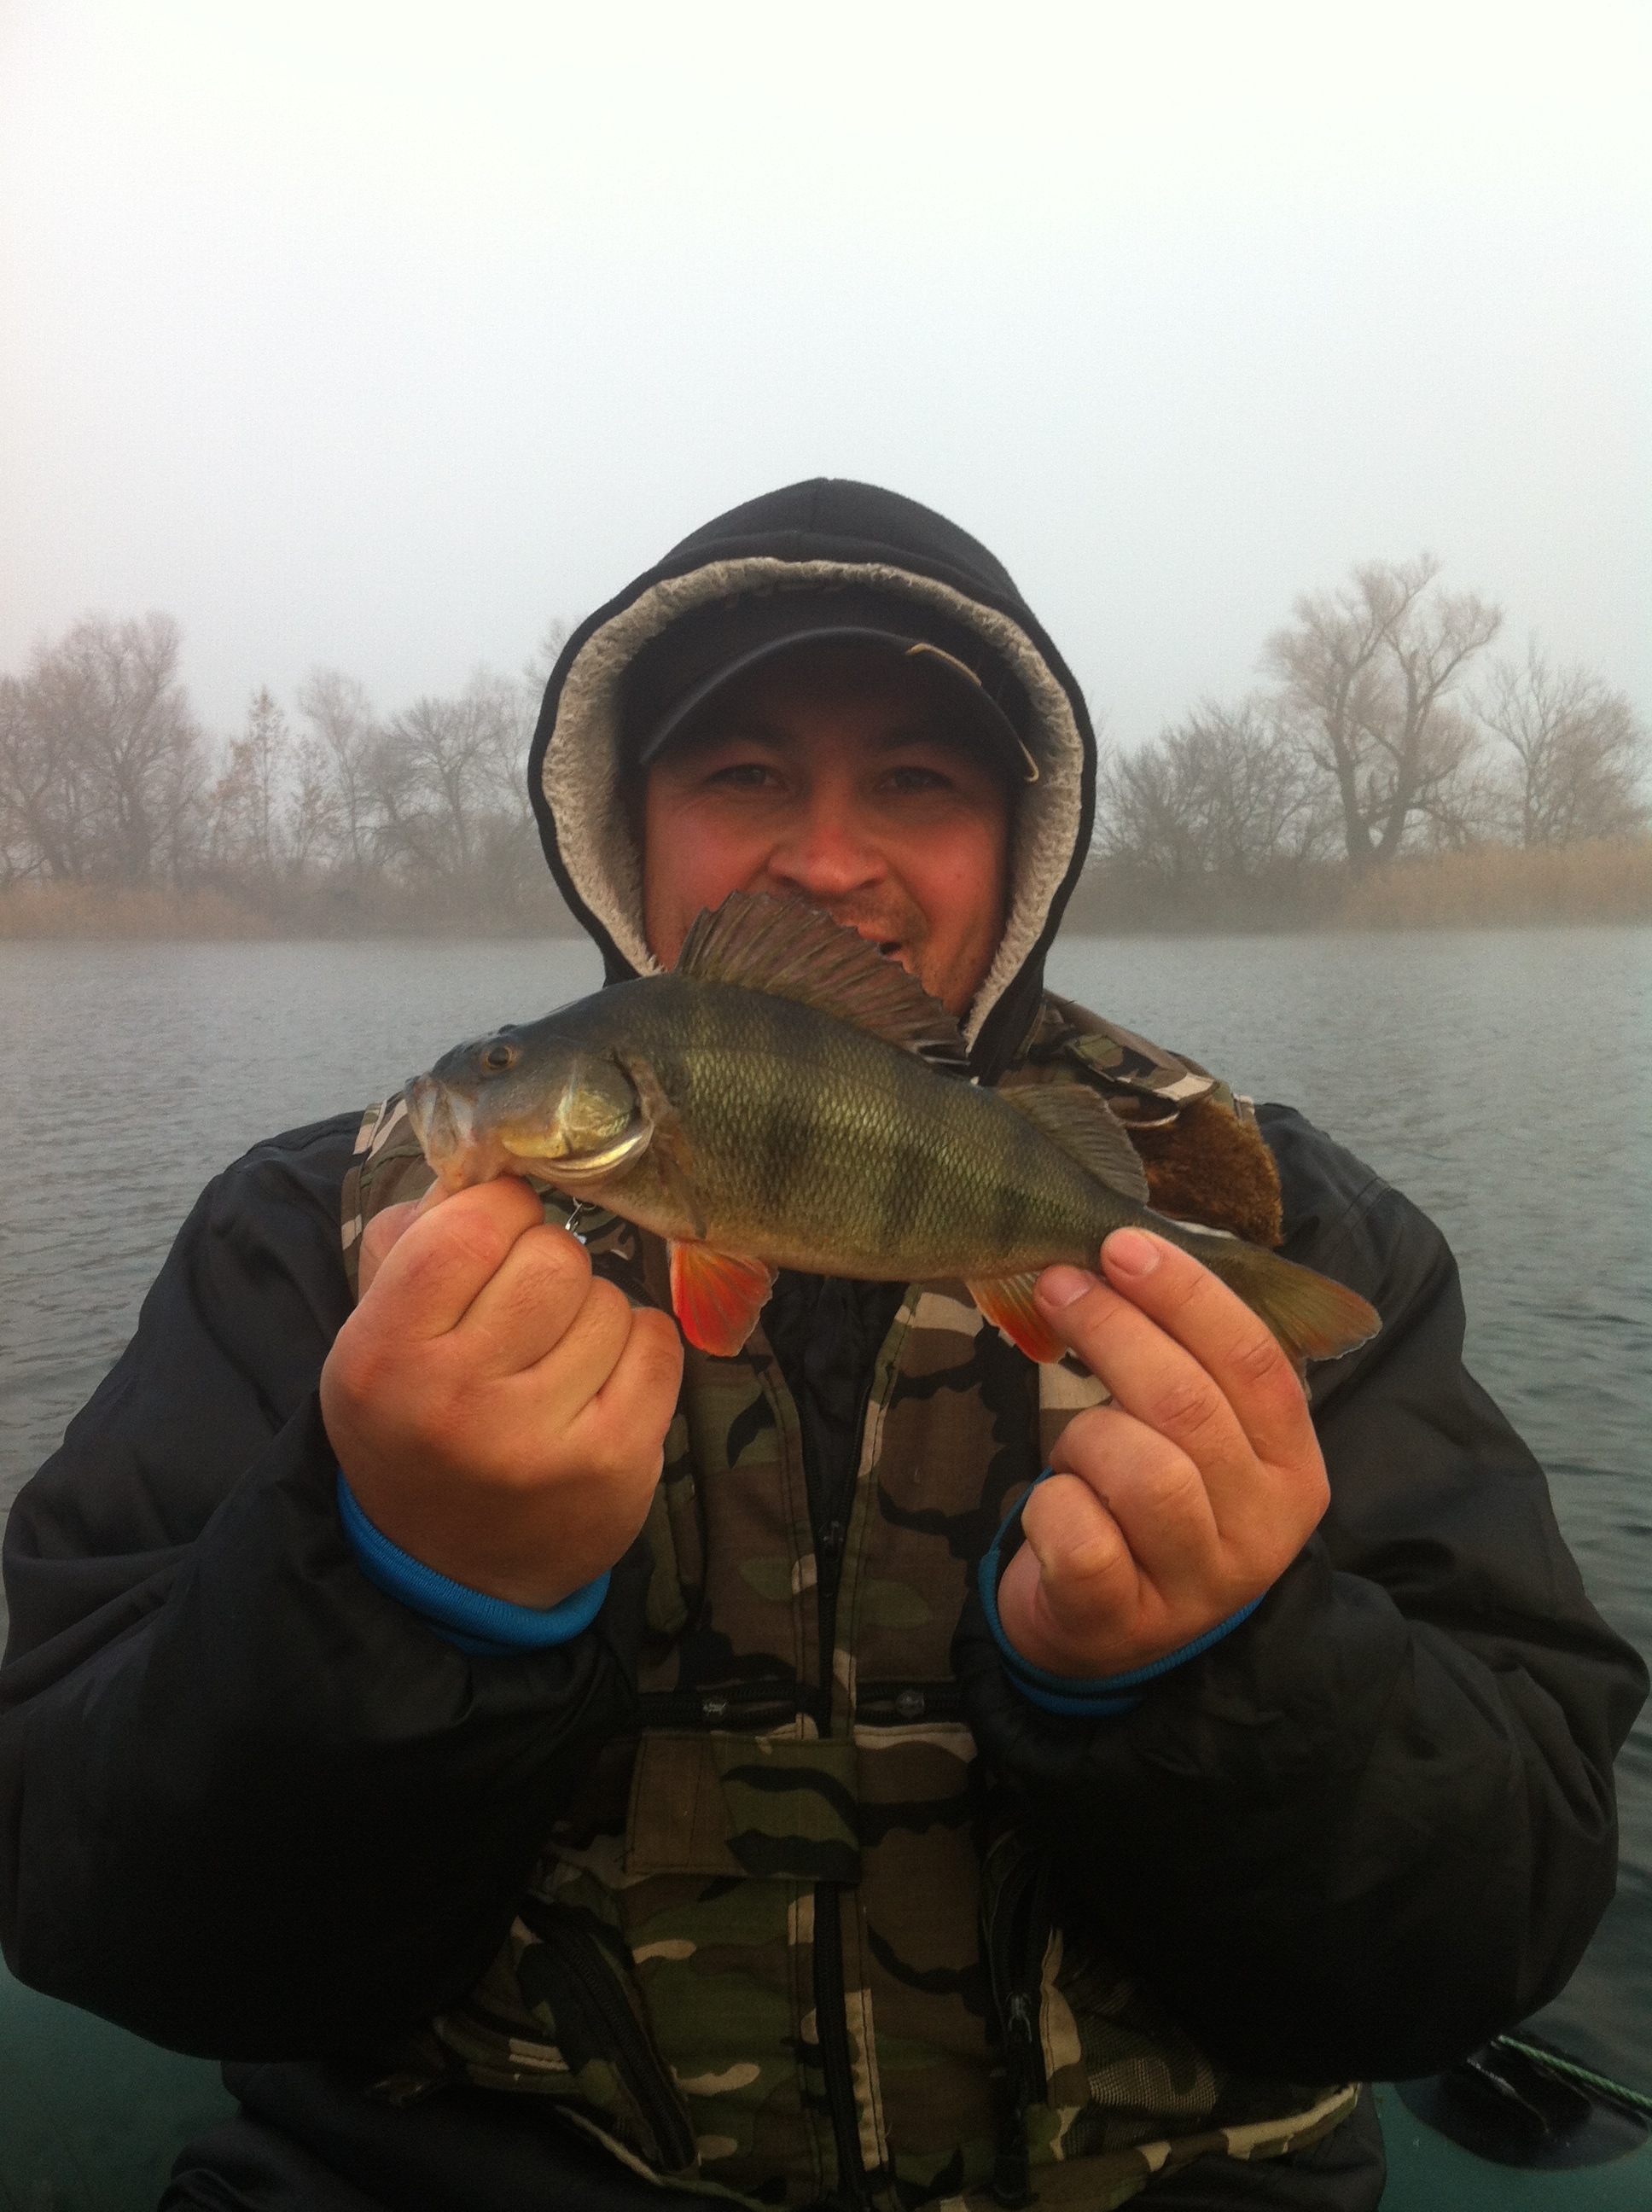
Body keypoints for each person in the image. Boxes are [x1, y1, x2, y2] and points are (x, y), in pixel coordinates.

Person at [0, 478, 1643, 2212]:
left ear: (1025, 842)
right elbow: (96, 1903)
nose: (830, 858)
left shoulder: (1283, 1231)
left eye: (917, 782)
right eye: (742, 775)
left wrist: (1229, 1668)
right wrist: (403, 1585)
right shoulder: (312, 1245)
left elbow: (1492, 1926)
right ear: (627, 827)